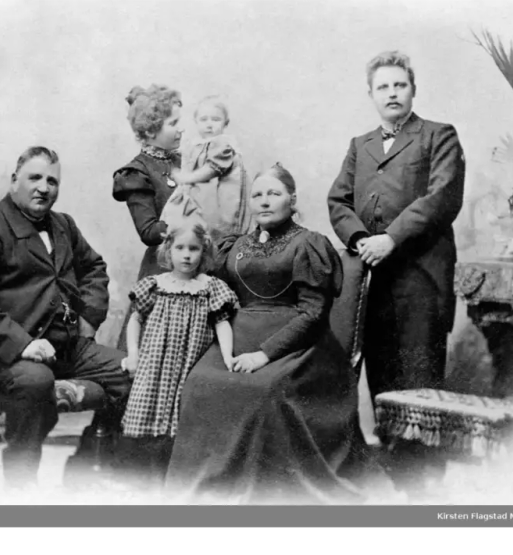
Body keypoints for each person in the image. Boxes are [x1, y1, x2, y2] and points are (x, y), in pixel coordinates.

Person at [164, 163, 368, 505]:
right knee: (199, 383)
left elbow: (314, 313)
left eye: (274, 193)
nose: (264, 201)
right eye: (257, 194)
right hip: (239, 333)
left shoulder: (308, 243)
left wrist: (264, 354)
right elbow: (217, 294)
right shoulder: (236, 245)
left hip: (300, 343)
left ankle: (261, 493)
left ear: (292, 199)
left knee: (263, 389)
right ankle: (207, 491)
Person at [0, 146, 132, 489]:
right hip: (1, 355)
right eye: (35, 178)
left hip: (65, 347)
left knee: (136, 374)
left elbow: (94, 268)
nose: (44, 188)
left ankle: (85, 462)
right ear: (14, 180)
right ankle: (20, 485)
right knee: (35, 381)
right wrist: (24, 344)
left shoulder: (63, 225)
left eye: (52, 181)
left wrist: (88, 320)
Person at [327, 51, 466, 494]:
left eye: (399, 85)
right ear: (371, 94)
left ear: (412, 90)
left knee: (418, 372)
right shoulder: (360, 144)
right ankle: (392, 470)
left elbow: (441, 197)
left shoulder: (438, 136)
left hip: (420, 277)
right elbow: (338, 201)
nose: (392, 92)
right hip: (372, 277)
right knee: (381, 372)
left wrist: (392, 238)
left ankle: (423, 479)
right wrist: (359, 240)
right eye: (383, 86)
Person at [114, 221, 238, 490]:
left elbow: (222, 323)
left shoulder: (210, 287)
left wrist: (228, 356)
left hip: (190, 365)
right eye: (180, 248)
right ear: (168, 251)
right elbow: (135, 320)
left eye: (193, 249)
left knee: (184, 424)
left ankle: (176, 482)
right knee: (148, 422)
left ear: (203, 253)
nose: (186, 255)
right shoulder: (155, 285)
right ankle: (148, 483)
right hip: (155, 364)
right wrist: (133, 354)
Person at [112, 84, 184, 353]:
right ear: (152, 129)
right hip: (162, 269)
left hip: (193, 264)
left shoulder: (183, 163)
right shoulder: (137, 172)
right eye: (173, 123)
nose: (181, 129)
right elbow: (149, 231)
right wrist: (188, 225)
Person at [168, 96, 253, 242]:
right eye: (204, 119)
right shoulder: (195, 144)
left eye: (215, 119)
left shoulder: (223, 144)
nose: (209, 124)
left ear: (226, 123)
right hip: (199, 199)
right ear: (196, 122)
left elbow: (212, 169)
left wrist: (187, 178)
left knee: (218, 232)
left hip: (218, 199)